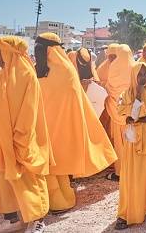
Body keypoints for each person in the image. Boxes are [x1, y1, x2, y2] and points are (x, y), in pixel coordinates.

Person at [34, 33, 117, 213]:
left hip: (60, 127)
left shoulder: (65, 71)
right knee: (51, 167)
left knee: (57, 167)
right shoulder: (39, 70)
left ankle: (58, 201)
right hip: (42, 126)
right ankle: (52, 201)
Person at [0, 36, 52, 233]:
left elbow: (29, 110)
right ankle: (12, 219)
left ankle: (37, 219)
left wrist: (20, 136)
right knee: (3, 178)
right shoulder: (3, 74)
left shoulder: (26, 74)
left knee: (27, 177)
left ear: (8, 51)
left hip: (20, 138)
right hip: (2, 138)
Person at [115, 62, 146, 229]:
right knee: (131, 175)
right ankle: (126, 212)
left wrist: (141, 118)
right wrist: (137, 100)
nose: (143, 78)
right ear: (133, 76)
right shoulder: (126, 94)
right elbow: (122, 113)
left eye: (145, 74)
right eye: (139, 74)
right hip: (133, 140)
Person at [97, 44, 133, 181]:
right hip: (133, 116)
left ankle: (120, 172)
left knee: (120, 143)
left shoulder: (113, 69)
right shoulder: (136, 69)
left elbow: (110, 90)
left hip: (118, 114)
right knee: (134, 143)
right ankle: (135, 171)